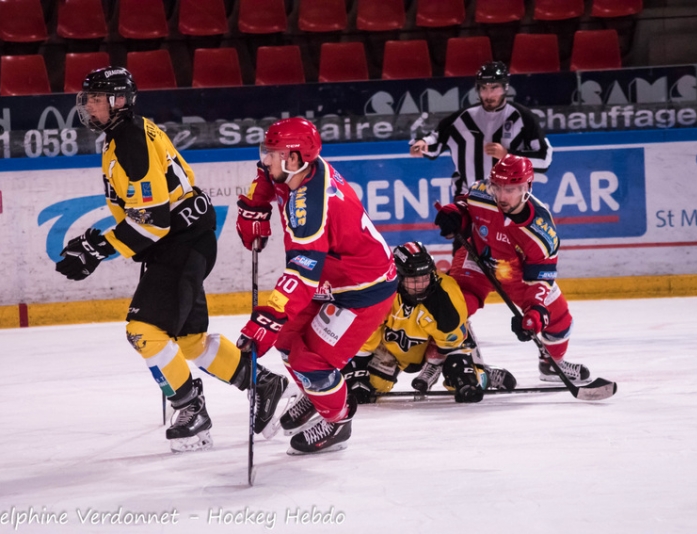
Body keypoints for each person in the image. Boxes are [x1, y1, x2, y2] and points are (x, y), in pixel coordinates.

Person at [55, 67, 288, 453]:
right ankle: (264, 383)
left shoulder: (130, 141)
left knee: (142, 331)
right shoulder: (123, 134)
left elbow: (153, 223)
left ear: (119, 101)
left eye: (97, 98)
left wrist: (98, 248)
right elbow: (147, 218)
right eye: (90, 98)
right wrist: (99, 244)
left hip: (179, 240)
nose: (90, 105)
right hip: (183, 237)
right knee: (190, 340)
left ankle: (190, 409)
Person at [235, 117, 397, 455]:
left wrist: (270, 315)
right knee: (286, 340)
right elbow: (267, 176)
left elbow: (303, 269)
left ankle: (338, 420)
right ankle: (317, 397)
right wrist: (255, 205)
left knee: (312, 363)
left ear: (293, 158)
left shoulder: (311, 204)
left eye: (273, 153)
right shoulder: (299, 167)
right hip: (331, 279)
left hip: (362, 289)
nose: (266, 159)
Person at [434, 154, 591, 383]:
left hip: (518, 274)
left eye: (511, 189)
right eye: (498, 187)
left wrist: (535, 313)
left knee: (559, 319)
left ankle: (552, 364)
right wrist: (455, 214)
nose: (502, 195)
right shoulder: (482, 191)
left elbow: (540, 277)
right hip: (477, 259)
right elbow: (465, 207)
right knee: (453, 307)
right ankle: (470, 369)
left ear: (527, 187)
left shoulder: (540, 230)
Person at [341, 241, 517, 403]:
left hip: (436, 345)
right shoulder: (381, 291)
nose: (422, 285)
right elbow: (366, 332)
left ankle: (484, 374)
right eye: (414, 280)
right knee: (369, 388)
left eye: (425, 277)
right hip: (393, 348)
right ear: (398, 276)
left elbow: (453, 342)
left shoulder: (445, 295)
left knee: (462, 379)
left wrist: (462, 371)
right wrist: (357, 369)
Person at [409, 61, 553, 197]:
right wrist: (422, 144)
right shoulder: (463, 118)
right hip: (468, 198)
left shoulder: (523, 117)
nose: (488, 95)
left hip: (510, 201)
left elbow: (544, 158)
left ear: (505, 88)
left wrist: (507, 156)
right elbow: (436, 138)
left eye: (494, 88)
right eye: (483, 88)